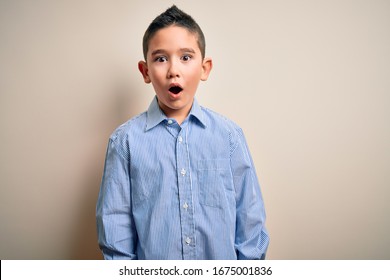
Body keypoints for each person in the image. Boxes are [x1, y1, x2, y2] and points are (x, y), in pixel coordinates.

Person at [96, 5, 269, 260]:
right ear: (145, 72)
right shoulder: (125, 143)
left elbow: (250, 222)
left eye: (186, 57)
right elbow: (115, 235)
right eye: (160, 58)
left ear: (204, 68)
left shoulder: (229, 137)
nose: (173, 70)